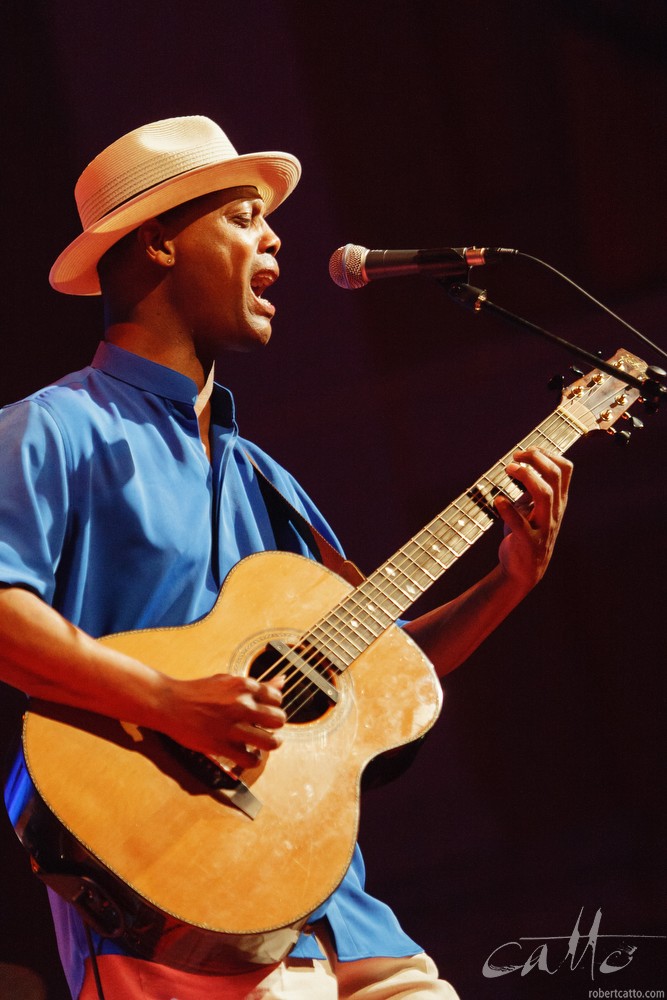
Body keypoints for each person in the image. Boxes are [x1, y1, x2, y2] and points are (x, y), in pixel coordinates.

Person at [0, 115, 572, 1000]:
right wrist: (170, 703)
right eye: (241, 218)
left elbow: (370, 676)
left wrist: (505, 584)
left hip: (341, 915)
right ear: (155, 240)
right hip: (178, 914)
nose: (273, 240)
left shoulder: (266, 476)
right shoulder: (53, 430)